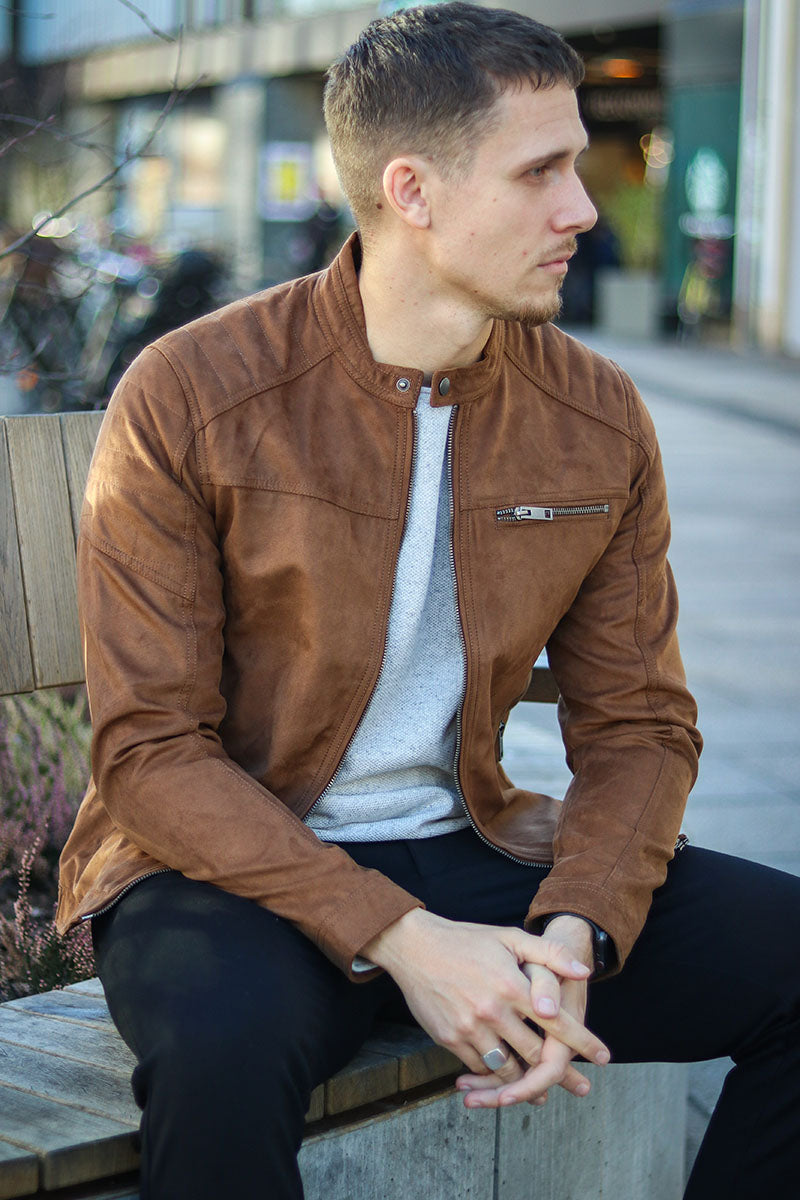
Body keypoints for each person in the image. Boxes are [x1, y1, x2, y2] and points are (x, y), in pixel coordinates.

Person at [56, 5, 800, 1198]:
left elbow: (639, 724)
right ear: (411, 190)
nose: (582, 210)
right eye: (539, 171)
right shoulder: (194, 394)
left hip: (471, 845)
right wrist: (402, 938)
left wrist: (576, 927)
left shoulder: (594, 416)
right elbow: (149, 751)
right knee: (221, 1057)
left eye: (576, 165)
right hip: (222, 868)